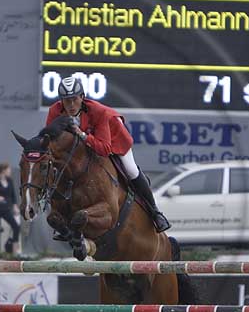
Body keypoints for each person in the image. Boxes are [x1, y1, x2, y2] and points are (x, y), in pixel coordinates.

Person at [46, 76, 170, 232]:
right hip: (85, 143)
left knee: (131, 170)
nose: (71, 105)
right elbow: (51, 140)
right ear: (60, 101)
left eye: (74, 99)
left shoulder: (100, 112)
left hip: (114, 139)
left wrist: (82, 135)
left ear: (82, 97)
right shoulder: (54, 111)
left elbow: (104, 148)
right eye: (66, 100)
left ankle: (155, 212)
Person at [0, 163, 21, 254]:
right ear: (3, 170)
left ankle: (14, 249)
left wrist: (15, 205)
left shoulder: (9, 180)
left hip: (7, 208)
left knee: (16, 226)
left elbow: (13, 194)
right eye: (8, 169)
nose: (10, 171)